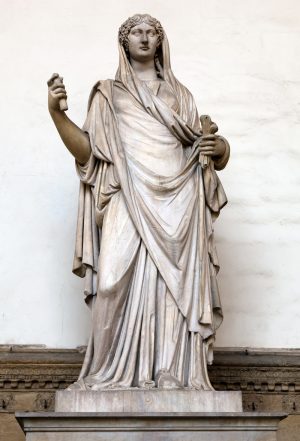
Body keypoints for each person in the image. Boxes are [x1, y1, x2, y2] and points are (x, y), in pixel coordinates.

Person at [47, 14, 230, 391]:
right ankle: (104, 373)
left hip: (178, 200)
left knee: (171, 287)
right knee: (112, 280)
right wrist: (56, 114)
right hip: (126, 197)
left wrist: (221, 148)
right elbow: (89, 153)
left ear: (160, 42)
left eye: (152, 33)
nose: (145, 38)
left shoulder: (181, 95)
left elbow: (203, 146)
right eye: (137, 32)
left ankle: (170, 371)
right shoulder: (107, 95)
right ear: (124, 41)